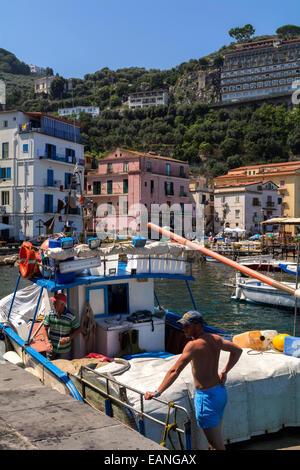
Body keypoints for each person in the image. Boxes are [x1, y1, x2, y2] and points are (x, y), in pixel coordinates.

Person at [144, 311, 242, 450]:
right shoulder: (215, 339)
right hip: (219, 393)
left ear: (197, 326)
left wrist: (157, 392)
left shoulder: (192, 346)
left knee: (217, 446)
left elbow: (174, 371)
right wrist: (225, 371)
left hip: (206, 398)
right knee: (215, 441)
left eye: (187, 326)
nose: (183, 329)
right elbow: (237, 350)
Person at [44, 293, 81, 361]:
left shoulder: (71, 317)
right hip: (51, 348)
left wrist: (67, 339)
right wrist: (47, 342)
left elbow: (78, 330)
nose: (53, 304)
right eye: (53, 302)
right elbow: (45, 329)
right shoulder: (50, 314)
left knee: (63, 369)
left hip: (64, 352)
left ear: (63, 305)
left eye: (56, 303)